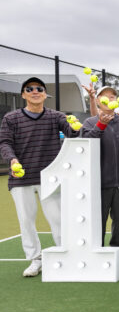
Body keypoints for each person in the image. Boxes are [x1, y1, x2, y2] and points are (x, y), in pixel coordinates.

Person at [0, 77, 78, 277]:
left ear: (45, 94)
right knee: (26, 220)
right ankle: (35, 259)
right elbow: (5, 143)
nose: (35, 91)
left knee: (58, 219)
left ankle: (64, 255)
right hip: (21, 179)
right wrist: (13, 160)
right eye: (30, 89)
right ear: (24, 94)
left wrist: (76, 127)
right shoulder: (11, 118)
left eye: (39, 89)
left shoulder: (56, 116)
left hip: (50, 178)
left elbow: (73, 134)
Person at [81, 86, 119, 247]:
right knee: (97, 223)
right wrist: (100, 125)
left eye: (113, 97)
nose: (110, 99)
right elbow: (86, 144)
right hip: (99, 184)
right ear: (97, 101)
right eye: (105, 97)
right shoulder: (90, 122)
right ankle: (96, 254)